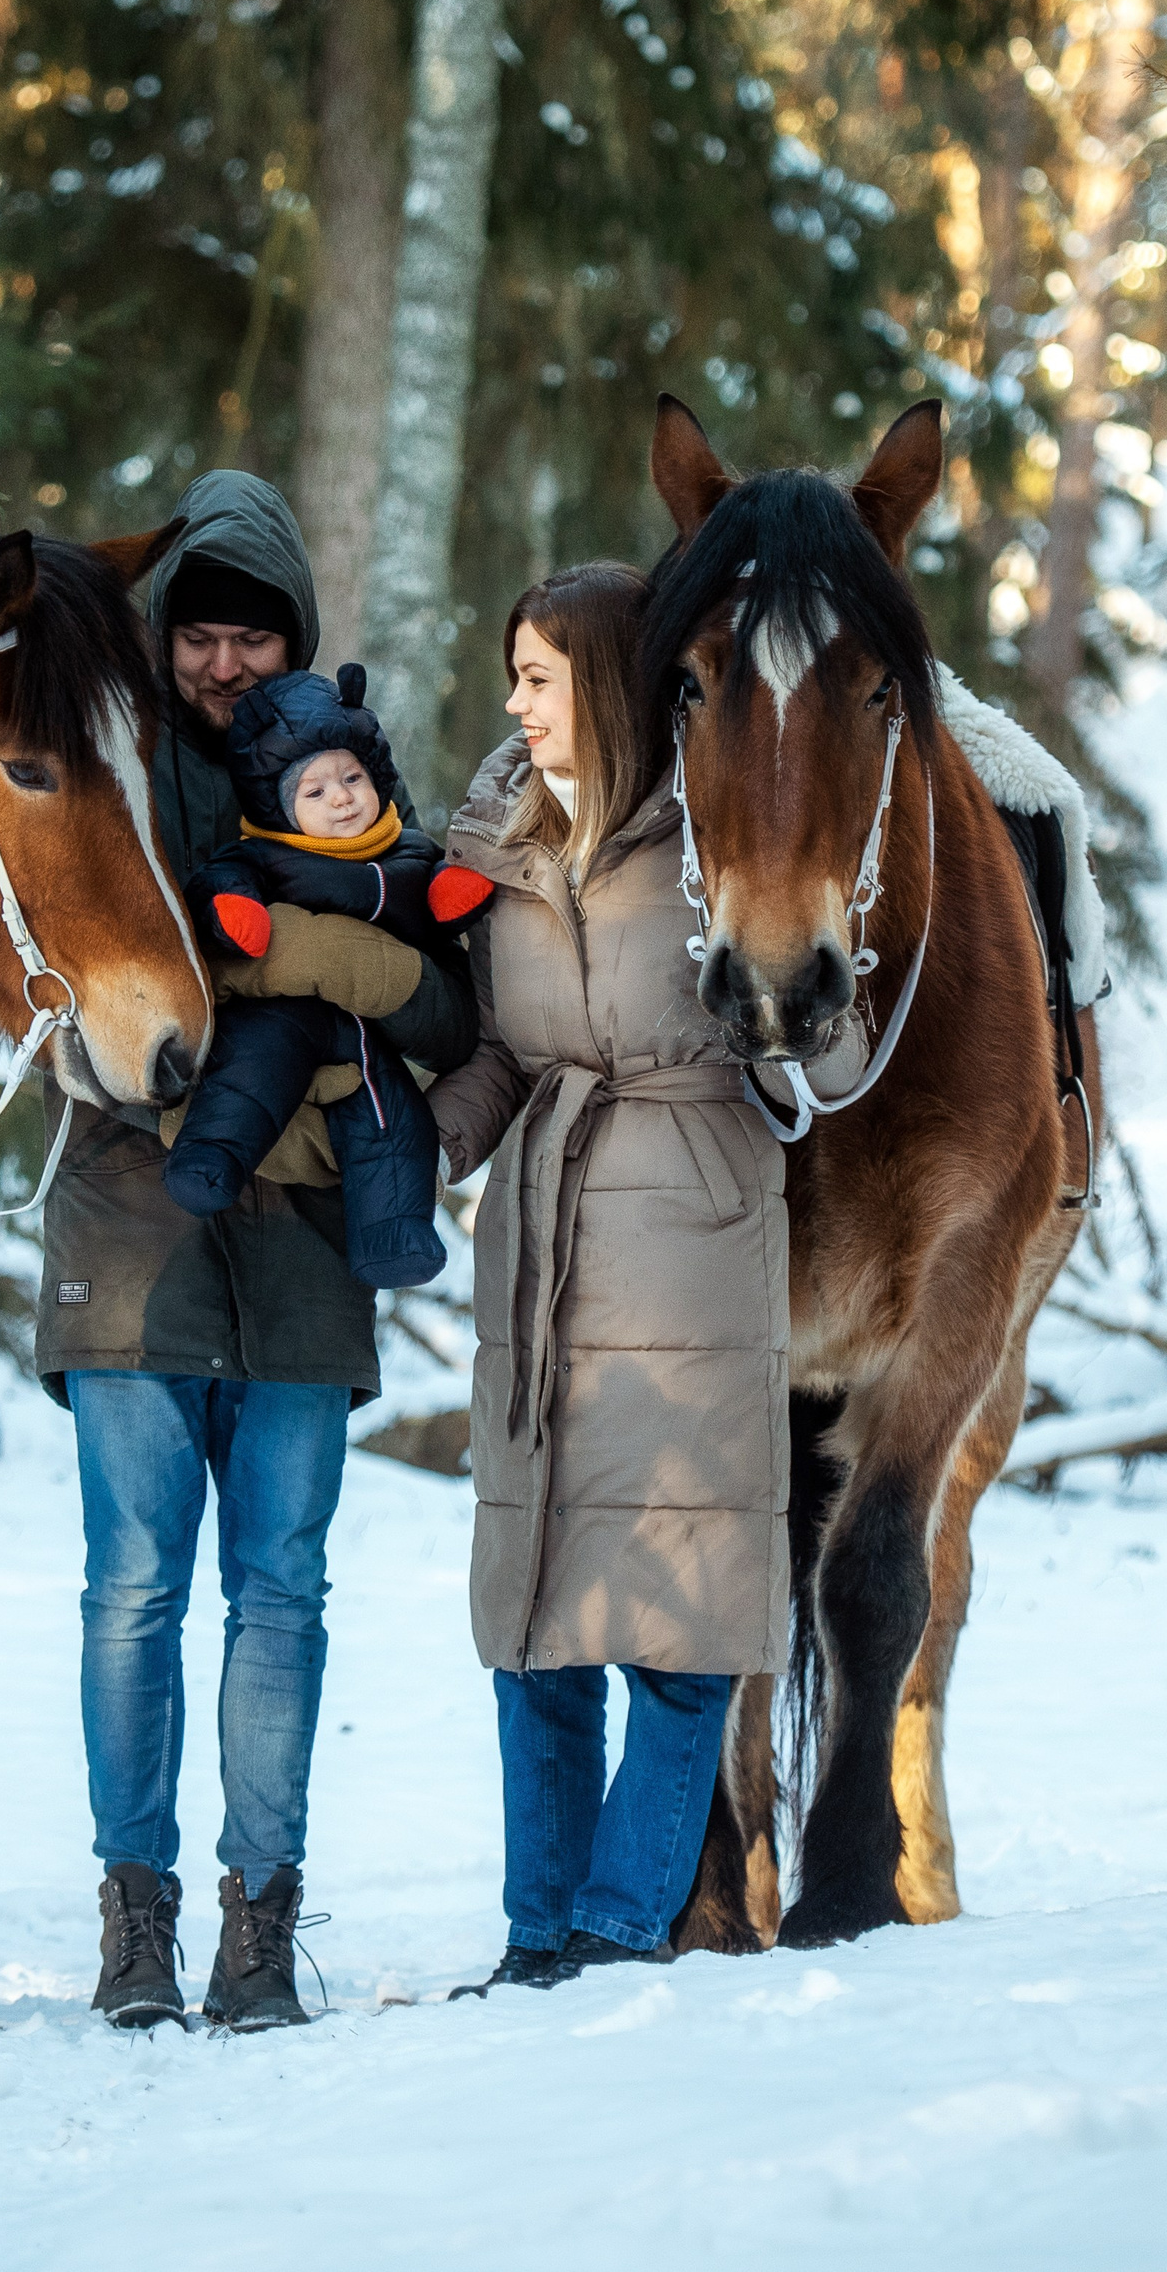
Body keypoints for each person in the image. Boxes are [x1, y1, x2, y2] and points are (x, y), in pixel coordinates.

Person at [35, 473, 477, 2032]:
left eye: (255, 636)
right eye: (200, 635)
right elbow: (74, 996)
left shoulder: (348, 781)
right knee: (135, 1586)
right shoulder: (98, 782)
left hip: (306, 1237)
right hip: (127, 1218)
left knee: (280, 1587)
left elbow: (441, 1006)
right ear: (160, 640)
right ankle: (134, 1917)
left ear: (297, 640)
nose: (224, 664)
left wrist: (307, 950)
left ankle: (258, 1928)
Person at [424, 562, 846, 1987]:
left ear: (602, 679)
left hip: (690, 1240)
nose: (515, 702)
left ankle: (618, 1923)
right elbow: (494, 1051)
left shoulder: (717, 826)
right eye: (512, 675)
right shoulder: (498, 831)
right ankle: (537, 1928)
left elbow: (822, 1035)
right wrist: (416, 1147)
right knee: (533, 1623)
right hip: (537, 1239)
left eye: (539, 674)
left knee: (679, 1623)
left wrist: (800, 1037)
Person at [163, 662, 492, 1289]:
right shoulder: (269, 852)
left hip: (367, 1035)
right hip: (282, 1013)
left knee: (391, 1117)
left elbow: (437, 894)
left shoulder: (406, 849)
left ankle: (393, 1235)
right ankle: (210, 1157)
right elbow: (221, 883)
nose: (342, 798)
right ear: (282, 810)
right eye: (313, 793)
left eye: (351, 777)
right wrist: (234, 914)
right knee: (253, 1073)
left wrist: (455, 897)